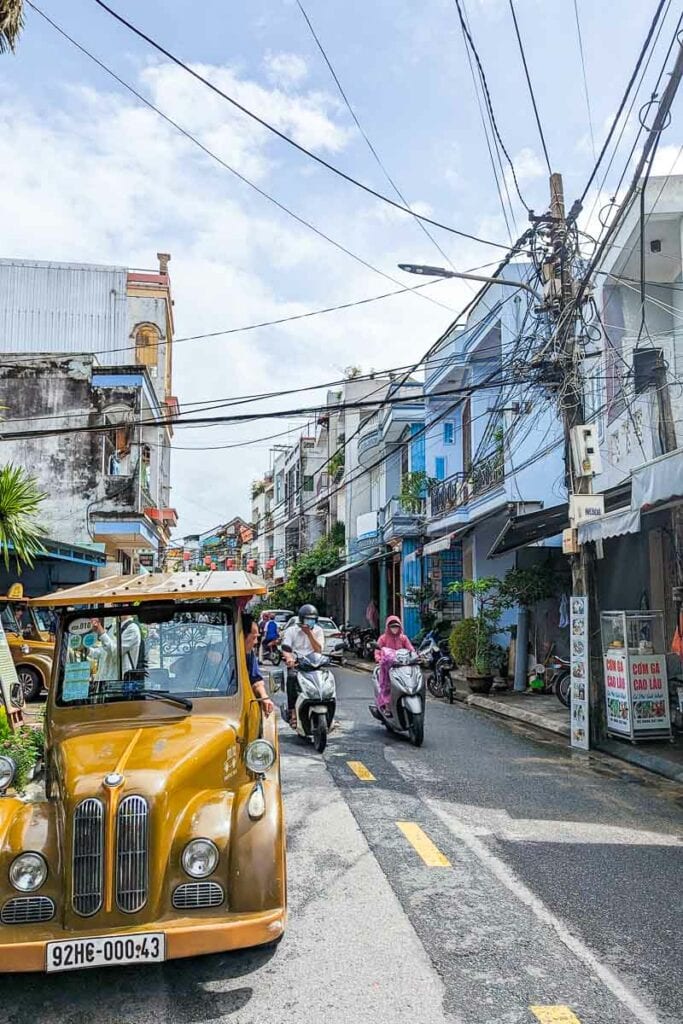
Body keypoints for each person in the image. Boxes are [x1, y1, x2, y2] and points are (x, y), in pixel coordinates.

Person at [282, 603, 325, 726]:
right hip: (297, 664)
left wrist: (309, 633)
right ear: (301, 619)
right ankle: (293, 712)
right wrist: (289, 659)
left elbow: (318, 650)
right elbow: (286, 648)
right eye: (308, 619)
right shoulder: (291, 631)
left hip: (313, 664)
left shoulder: (318, 630)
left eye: (313, 619)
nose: (310, 622)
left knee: (326, 679)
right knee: (291, 678)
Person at [374, 615, 415, 713]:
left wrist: (414, 656)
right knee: (386, 685)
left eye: (396, 626)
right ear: (388, 627)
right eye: (392, 626)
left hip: (403, 666)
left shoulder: (403, 638)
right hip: (388, 667)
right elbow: (377, 652)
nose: (394, 629)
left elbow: (411, 650)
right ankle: (387, 705)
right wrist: (379, 659)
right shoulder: (383, 639)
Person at [91, 615, 142, 681]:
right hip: (104, 682)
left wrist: (101, 631)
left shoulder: (132, 628)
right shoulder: (113, 627)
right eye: (113, 604)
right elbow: (103, 652)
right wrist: (87, 650)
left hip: (119, 684)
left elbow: (115, 651)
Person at [242, 613, 274, 716]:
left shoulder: (249, 655)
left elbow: (255, 680)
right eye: (254, 637)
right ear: (241, 636)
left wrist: (265, 697)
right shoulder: (214, 655)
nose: (256, 642)